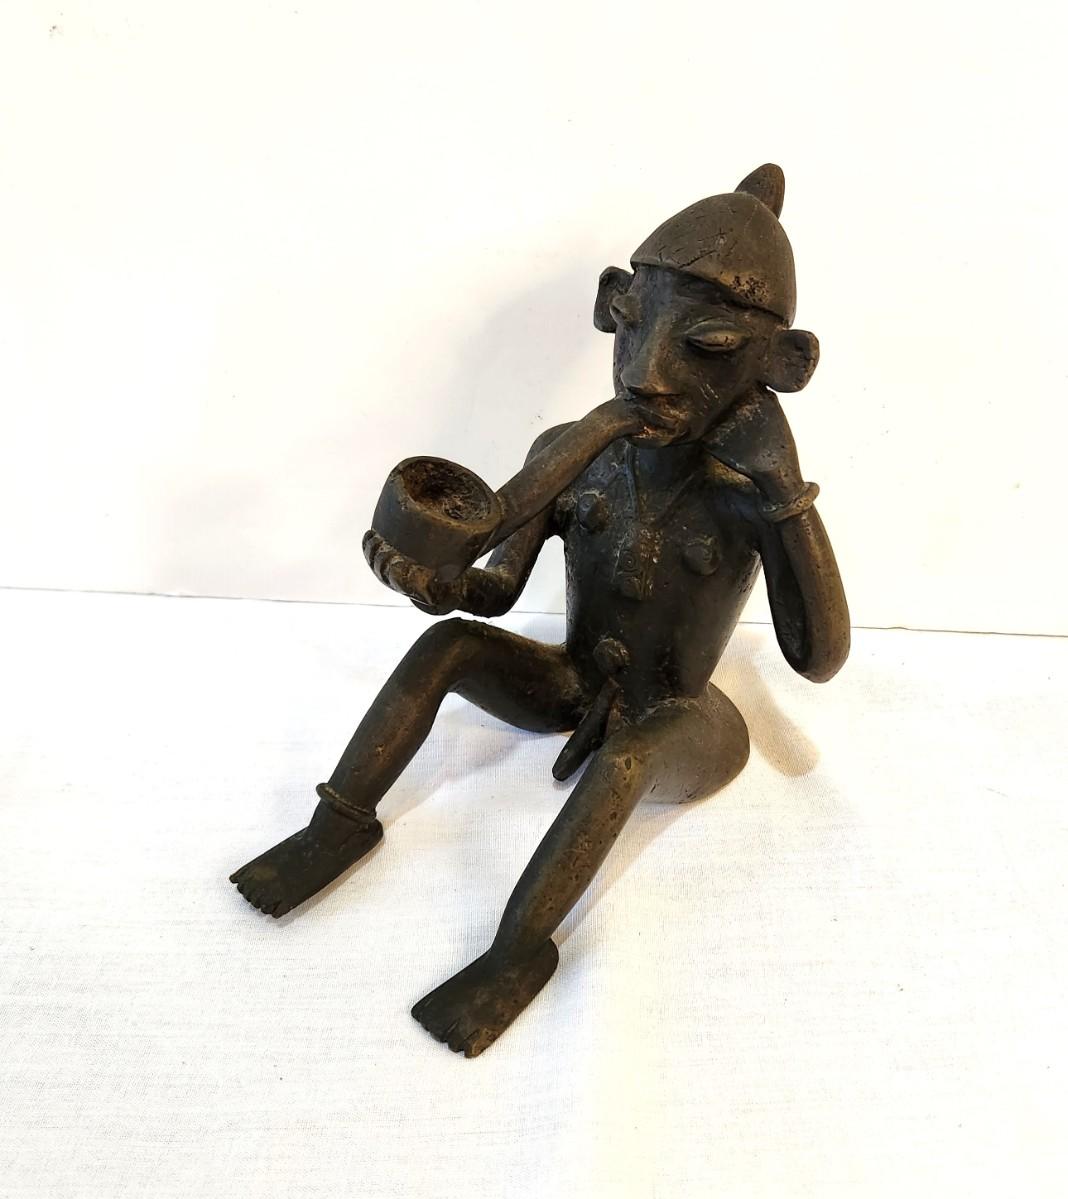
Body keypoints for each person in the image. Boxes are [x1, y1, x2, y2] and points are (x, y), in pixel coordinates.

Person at [231, 164, 850, 1057]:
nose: (648, 374)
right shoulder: (571, 452)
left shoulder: (747, 497)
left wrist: (786, 495)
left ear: (780, 366)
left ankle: (516, 949)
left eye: (706, 349)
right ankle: (336, 825)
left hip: (678, 714)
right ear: (610, 306)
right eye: (631, 328)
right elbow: (496, 590)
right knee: (448, 647)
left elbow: (818, 657)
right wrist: (443, 587)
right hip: (574, 680)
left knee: (628, 755)